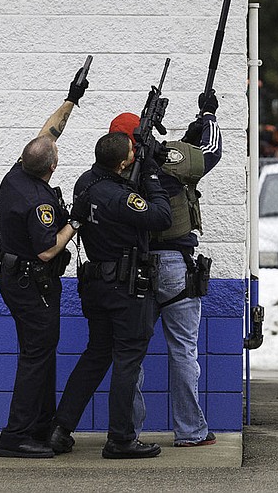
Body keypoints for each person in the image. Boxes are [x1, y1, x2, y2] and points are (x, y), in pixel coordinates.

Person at [49, 131, 171, 460]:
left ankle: (60, 427)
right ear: (122, 164)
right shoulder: (120, 197)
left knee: (96, 355)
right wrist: (151, 175)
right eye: (132, 153)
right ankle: (120, 438)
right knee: (127, 360)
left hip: (96, 285)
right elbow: (162, 216)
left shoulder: (85, 182)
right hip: (125, 287)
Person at [118, 89, 223, 448]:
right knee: (183, 351)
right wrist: (208, 115)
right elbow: (210, 153)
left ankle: (128, 433)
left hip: (134, 268)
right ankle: (191, 431)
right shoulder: (165, 163)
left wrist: (185, 136)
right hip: (176, 265)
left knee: (133, 355)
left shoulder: (112, 171)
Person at [0, 65, 89, 459]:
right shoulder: (37, 202)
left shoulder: (16, 172)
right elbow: (48, 249)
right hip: (32, 283)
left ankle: (40, 426)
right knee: (36, 359)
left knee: (41, 355)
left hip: (19, 279)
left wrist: (72, 99)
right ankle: (15, 436)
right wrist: (76, 220)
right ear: (51, 168)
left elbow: (48, 132)